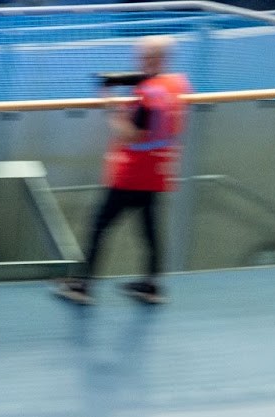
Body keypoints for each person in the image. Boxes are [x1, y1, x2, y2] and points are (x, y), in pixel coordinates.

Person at [55, 35, 190, 306]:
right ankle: (151, 285)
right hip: (157, 170)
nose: (139, 61)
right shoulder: (177, 84)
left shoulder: (147, 96)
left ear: (154, 58)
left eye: (143, 57)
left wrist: (109, 103)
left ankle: (82, 285)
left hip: (131, 174)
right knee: (150, 230)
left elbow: (131, 134)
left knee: (99, 226)